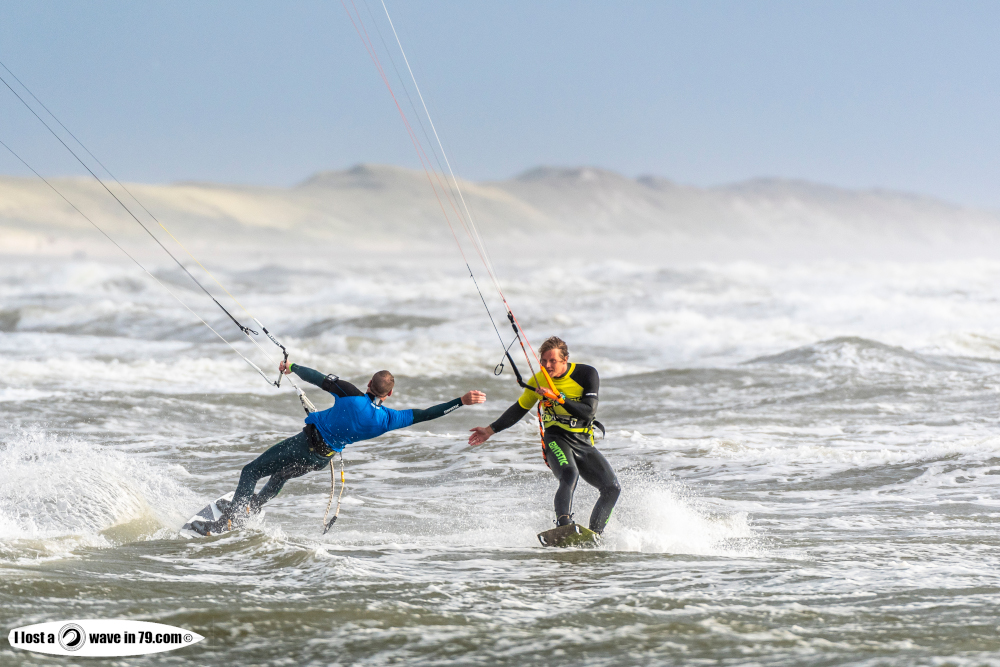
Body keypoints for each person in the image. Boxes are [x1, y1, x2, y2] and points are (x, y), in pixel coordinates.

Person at [191, 361, 485, 535]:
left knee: (251, 471)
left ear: (369, 383)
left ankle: (230, 521)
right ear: (390, 394)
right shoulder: (388, 419)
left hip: (303, 444)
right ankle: (250, 507)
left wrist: (291, 367)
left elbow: (317, 378)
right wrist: (460, 401)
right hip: (321, 459)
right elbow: (426, 414)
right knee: (279, 477)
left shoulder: (349, 393)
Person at [468, 336, 620, 534]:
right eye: (544, 361)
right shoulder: (538, 380)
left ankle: (595, 535)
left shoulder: (586, 374)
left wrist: (558, 398)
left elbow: (588, 412)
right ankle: (564, 525)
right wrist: (489, 430)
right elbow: (519, 409)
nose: (547, 366)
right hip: (556, 438)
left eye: (552, 361)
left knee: (612, 488)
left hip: (582, 441)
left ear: (565, 360)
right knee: (569, 474)